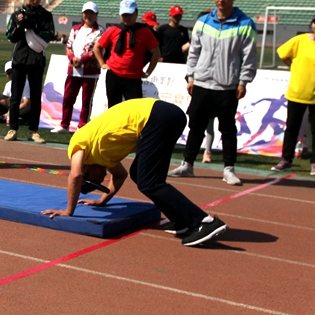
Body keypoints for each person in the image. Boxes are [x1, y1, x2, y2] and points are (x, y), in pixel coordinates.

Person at [41, 98, 228, 247]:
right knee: (140, 175)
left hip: (156, 117)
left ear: (86, 169)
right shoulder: (105, 158)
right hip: (164, 116)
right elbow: (120, 175)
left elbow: (75, 175)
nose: (103, 179)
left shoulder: (78, 146)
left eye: (98, 181)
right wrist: (102, 200)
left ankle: (204, 221)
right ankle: (182, 220)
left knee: (148, 181)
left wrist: (68, 211)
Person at [170, 0, 257, 186]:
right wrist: (190, 76)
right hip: (201, 84)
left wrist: (243, 81)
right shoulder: (203, 22)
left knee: (227, 129)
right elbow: (194, 52)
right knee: (196, 126)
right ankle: (187, 164)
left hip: (227, 86)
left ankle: (228, 169)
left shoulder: (245, 24)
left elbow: (249, 56)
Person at [4, 0, 55, 143]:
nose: (36, 0)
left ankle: (34, 130)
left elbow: (50, 35)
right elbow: (10, 37)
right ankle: (13, 129)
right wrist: (20, 25)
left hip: (37, 60)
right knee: (15, 96)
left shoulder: (46, 15)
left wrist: (35, 25)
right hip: (19, 59)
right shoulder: (16, 14)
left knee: (35, 96)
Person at [94, 0, 161, 107]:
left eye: (130, 14)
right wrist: (102, 64)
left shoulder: (145, 32)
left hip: (133, 78)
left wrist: (148, 72)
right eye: (124, 14)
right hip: (114, 76)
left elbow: (156, 53)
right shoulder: (113, 30)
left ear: (136, 13)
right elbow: (97, 47)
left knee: (134, 110)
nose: (127, 17)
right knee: (113, 108)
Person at [271, 14, 315, 175]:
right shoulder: (300, 40)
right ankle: (286, 160)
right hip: (297, 92)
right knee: (292, 128)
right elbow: (282, 53)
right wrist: (293, 66)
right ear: (312, 24)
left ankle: (314, 163)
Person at [54, 2, 103, 133]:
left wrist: (82, 59)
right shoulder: (75, 29)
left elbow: (97, 50)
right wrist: (72, 59)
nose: (89, 16)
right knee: (68, 98)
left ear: (96, 15)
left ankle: (82, 126)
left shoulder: (100, 31)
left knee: (86, 100)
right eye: (86, 13)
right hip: (73, 70)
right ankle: (64, 124)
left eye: (92, 13)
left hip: (90, 71)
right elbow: (68, 46)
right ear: (82, 14)